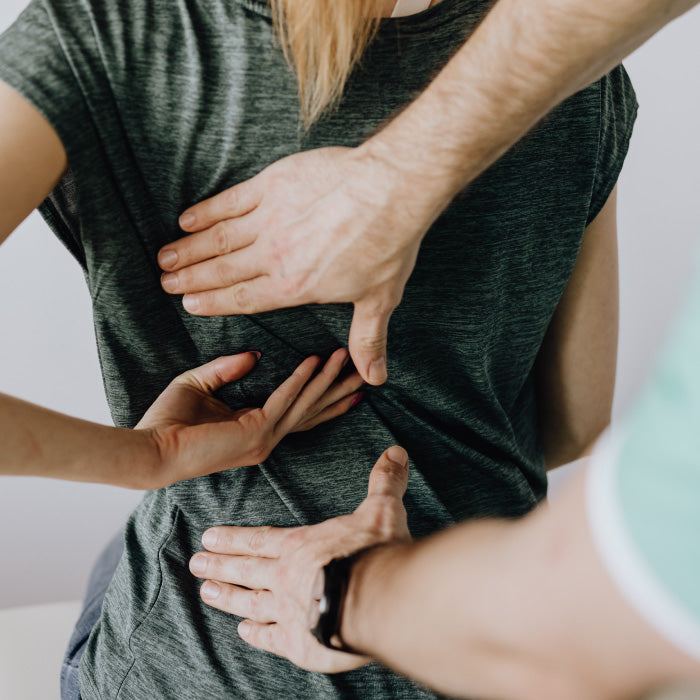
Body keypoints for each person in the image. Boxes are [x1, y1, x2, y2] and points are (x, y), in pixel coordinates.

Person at [0, 0, 634, 698]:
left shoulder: (110, 31)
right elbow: (572, 427)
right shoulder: (564, 59)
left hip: (214, 662)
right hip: (478, 640)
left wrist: (146, 459)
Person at [191, 249, 700, 699]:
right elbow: (572, 425)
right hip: (479, 606)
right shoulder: (586, 135)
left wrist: (348, 594)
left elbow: (571, 632)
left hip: (235, 632)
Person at [159, 0, 699, 387]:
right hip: (464, 528)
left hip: (191, 540)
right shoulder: (575, 72)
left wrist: (150, 456)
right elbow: (574, 425)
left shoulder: (141, 42)